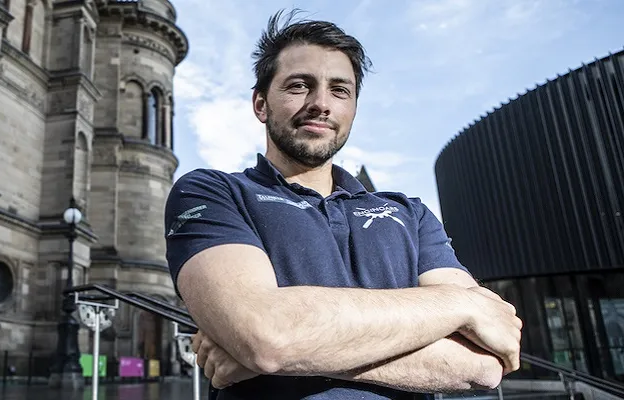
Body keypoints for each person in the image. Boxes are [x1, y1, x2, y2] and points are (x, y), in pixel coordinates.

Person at [163, 9, 523, 400]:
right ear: (261, 104)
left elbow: (484, 364)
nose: (321, 103)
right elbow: (268, 336)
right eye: (299, 86)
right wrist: (458, 304)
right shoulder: (212, 193)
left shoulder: (410, 213)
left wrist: (287, 352)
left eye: (340, 90)